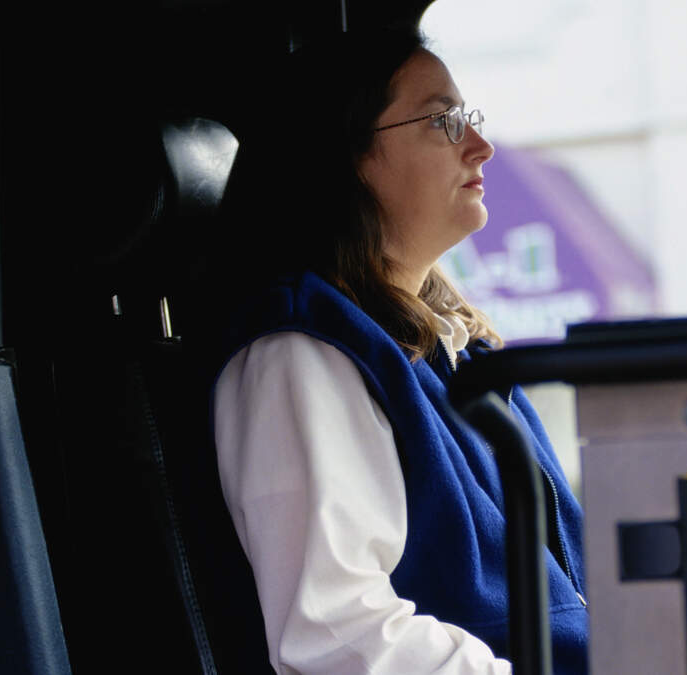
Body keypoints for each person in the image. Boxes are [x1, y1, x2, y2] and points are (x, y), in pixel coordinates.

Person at [209, 25, 588, 675]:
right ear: (348, 157)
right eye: (442, 121)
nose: (481, 146)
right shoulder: (301, 358)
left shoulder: (452, 348)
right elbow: (334, 634)